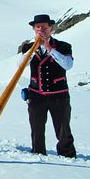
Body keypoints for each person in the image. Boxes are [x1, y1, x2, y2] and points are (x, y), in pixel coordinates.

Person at [20, 14, 77, 158]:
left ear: (51, 28)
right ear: (34, 30)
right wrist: (33, 50)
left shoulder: (63, 46)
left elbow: (68, 65)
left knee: (63, 129)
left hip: (59, 95)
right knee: (36, 128)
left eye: (44, 27)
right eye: (38, 27)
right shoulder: (28, 46)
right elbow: (20, 65)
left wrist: (50, 49)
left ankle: (67, 155)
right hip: (36, 94)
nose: (41, 30)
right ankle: (38, 154)